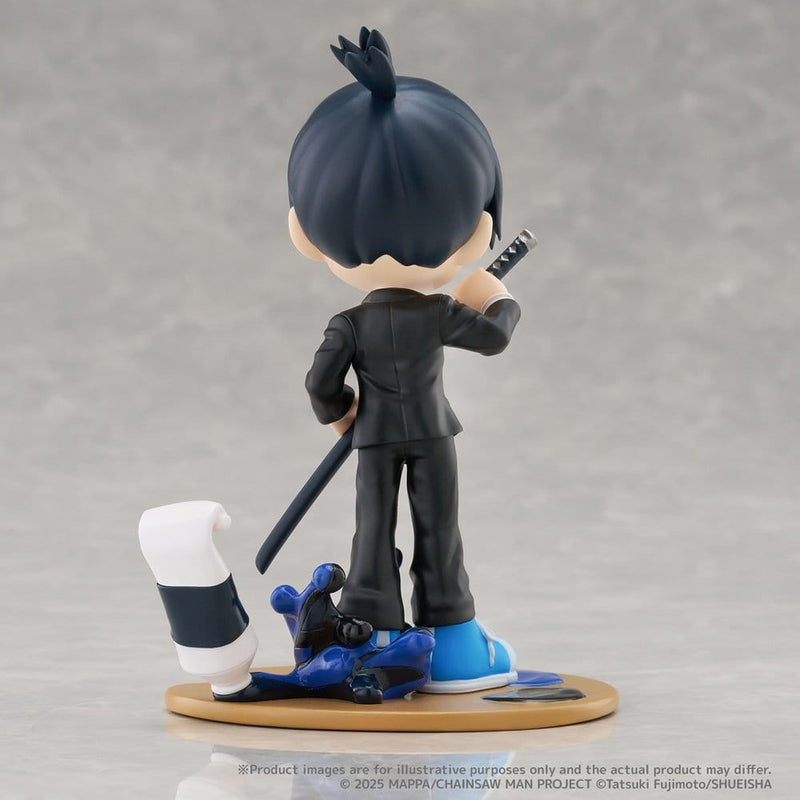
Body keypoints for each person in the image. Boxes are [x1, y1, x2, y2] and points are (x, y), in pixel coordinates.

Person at [288, 28, 521, 692]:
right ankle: (453, 645)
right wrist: (495, 296)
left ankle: (376, 634)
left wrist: (343, 414)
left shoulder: (349, 323)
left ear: (303, 233)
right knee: (439, 533)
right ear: (480, 231)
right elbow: (495, 337)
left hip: (374, 439)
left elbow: (320, 383)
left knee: (371, 534)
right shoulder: (439, 312)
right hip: (432, 434)